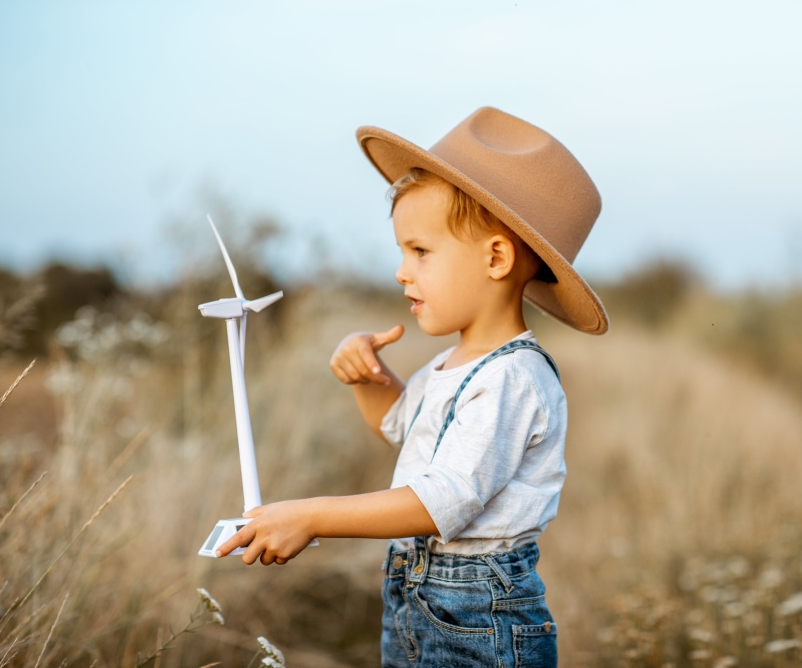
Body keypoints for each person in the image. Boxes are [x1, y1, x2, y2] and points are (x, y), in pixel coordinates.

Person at [216, 106, 608, 666]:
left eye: (421, 251)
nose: (402, 270)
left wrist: (311, 515)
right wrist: (368, 378)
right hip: (419, 592)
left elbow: (438, 501)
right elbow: (403, 428)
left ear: (497, 257)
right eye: (402, 251)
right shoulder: (455, 362)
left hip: (480, 611)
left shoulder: (512, 378)